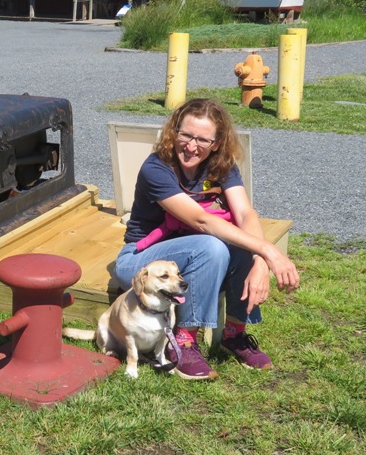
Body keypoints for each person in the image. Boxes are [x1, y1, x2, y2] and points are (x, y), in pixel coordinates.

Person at [113, 98, 300, 380]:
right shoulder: (157, 168)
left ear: (216, 143)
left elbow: (246, 213)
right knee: (212, 244)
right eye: (186, 135)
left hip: (187, 257)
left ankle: (234, 334)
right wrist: (269, 252)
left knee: (239, 246)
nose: (191, 146)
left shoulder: (221, 164)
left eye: (202, 139)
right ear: (174, 131)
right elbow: (202, 220)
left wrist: (261, 259)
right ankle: (185, 342)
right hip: (141, 261)